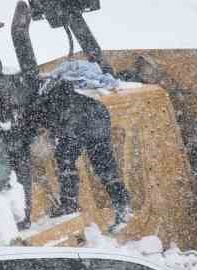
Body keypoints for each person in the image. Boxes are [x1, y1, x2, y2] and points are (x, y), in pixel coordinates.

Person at [13, 59, 133, 231]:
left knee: (65, 157)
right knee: (104, 164)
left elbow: (33, 130)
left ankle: (69, 204)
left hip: (77, 117)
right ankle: (123, 205)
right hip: (98, 114)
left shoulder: (34, 109)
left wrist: (25, 142)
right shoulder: (48, 90)